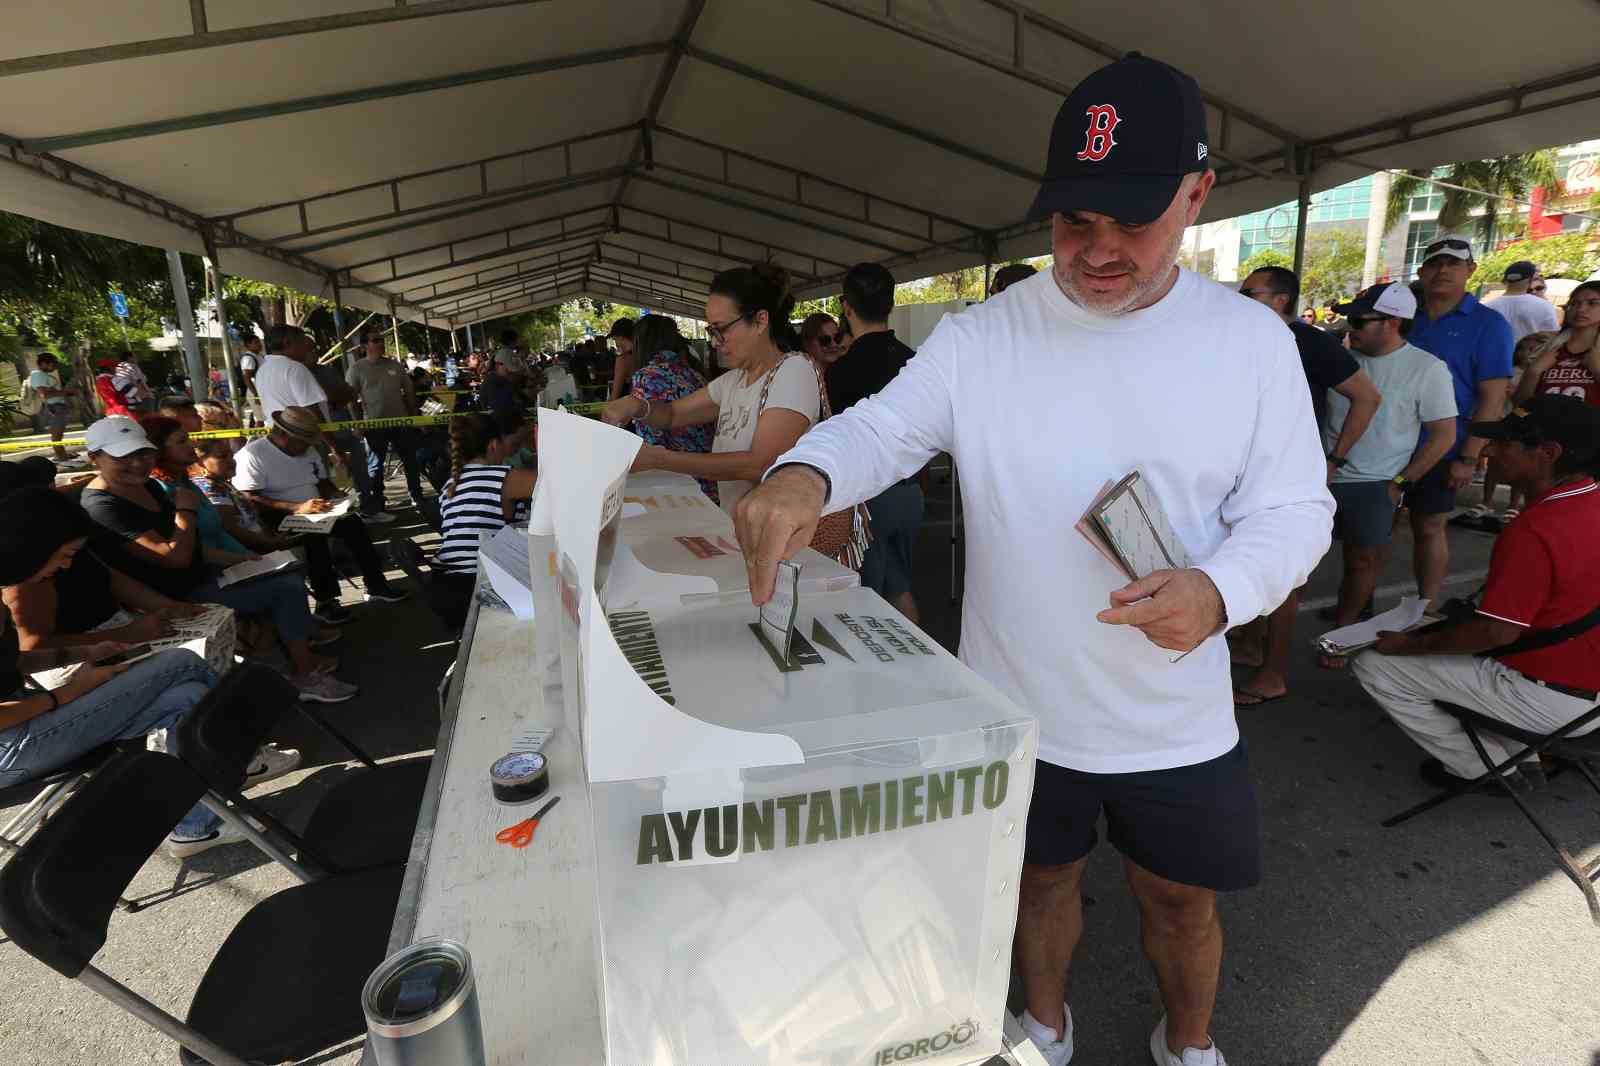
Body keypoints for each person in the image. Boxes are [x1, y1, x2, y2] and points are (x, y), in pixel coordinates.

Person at [735, 54, 1332, 1066]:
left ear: (1197, 193)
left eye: (1130, 222)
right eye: (1071, 223)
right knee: (1036, 879)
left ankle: (1187, 1040)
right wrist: (802, 474)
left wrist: (1223, 587)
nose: (1097, 253)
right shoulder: (984, 336)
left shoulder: (1248, 342)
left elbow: (1294, 508)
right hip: (1020, 703)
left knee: (1183, 901)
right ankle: (1043, 1021)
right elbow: (879, 432)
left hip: (1175, 718)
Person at [1352, 394, 1600, 792]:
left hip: (1557, 702)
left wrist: (1403, 646)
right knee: (1447, 634)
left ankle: (1486, 768)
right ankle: (1521, 753)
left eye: (1503, 444)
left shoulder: (1537, 529)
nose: (1487, 451)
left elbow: (1495, 634)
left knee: (1375, 665)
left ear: (1549, 453)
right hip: (1587, 692)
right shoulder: (1590, 499)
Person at [81, 416, 353, 703]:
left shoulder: (146, 486)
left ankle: (272, 661)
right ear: (94, 459)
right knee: (285, 588)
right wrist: (186, 512)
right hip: (173, 596)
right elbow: (174, 558)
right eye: (123, 457)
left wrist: (241, 560)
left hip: (203, 576)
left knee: (284, 570)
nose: (137, 463)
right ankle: (305, 674)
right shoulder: (103, 505)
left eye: (142, 453)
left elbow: (194, 547)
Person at [1230, 267, 1382, 702]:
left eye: (1249, 292)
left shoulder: (1310, 341)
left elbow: (1368, 397)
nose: (1240, 299)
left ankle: (1273, 674)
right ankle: (1250, 644)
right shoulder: (1247, 338)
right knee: (1247, 561)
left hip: (1287, 474)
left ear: (1280, 300)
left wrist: (1334, 457)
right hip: (1247, 468)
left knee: (1283, 577)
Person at [601, 264, 820, 515]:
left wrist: (660, 459)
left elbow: (760, 464)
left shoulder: (794, 371)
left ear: (760, 321)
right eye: (711, 330)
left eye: (721, 329)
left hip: (784, 537)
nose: (715, 341)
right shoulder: (734, 381)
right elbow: (673, 414)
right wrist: (638, 406)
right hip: (740, 528)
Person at [1317, 284, 1456, 645]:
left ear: (1393, 322)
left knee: (1362, 563)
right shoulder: (1339, 358)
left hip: (1376, 483)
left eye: (1361, 320)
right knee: (1297, 563)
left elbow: (1443, 435)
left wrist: (1399, 483)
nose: (1351, 327)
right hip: (1318, 477)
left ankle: (1342, 636)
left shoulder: (1427, 368)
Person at [1405, 233, 1514, 604]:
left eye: (1453, 263)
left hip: (1443, 447)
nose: (1443, 271)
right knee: (1373, 531)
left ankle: (1426, 607)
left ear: (1471, 270)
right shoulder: (1405, 318)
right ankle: (1358, 603)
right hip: (1387, 440)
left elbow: (1493, 397)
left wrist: (1469, 456)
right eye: (1435, 263)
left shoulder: (1489, 324)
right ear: (1422, 271)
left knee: (1429, 526)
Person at [232, 406, 408, 625]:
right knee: (313, 536)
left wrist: (334, 495)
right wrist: (294, 507)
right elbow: (248, 499)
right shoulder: (253, 455)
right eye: (303, 441)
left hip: (314, 510)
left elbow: (321, 481)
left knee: (354, 524)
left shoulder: (307, 451)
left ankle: (375, 584)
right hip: (276, 516)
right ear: (285, 436)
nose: (307, 446)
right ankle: (326, 601)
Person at [829, 262, 925, 621]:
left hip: (866, 498)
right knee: (900, 586)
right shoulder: (914, 362)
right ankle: (920, 664)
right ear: (891, 303)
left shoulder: (840, 371)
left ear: (846, 307)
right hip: (910, 492)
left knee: (866, 597)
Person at [431, 412, 538, 628]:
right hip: (477, 586)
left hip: (445, 586)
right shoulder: (502, 477)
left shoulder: (449, 486)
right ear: (493, 445)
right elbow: (557, 483)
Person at [608, 315, 715, 499]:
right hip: (711, 479)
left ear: (640, 343)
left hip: (680, 487)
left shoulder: (646, 377)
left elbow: (650, 444)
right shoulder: (694, 373)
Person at [348, 324, 426, 517]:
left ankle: (417, 496)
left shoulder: (394, 365)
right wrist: (357, 423)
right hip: (374, 426)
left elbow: (408, 391)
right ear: (364, 345)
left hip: (401, 423)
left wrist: (415, 416)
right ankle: (378, 504)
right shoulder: (356, 369)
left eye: (381, 339)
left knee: (411, 461)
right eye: (375, 340)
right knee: (375, 466)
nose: (380, 343)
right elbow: (350, 399)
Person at [1515, 280, 1600, 409]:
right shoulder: (1545, 349)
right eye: (1574, 304)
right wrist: (1533, 372)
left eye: (1592, 303)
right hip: (1541, 427)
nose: (1581, 309)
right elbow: (1519, 407)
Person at [253, 324, 330, 426]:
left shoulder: (262, 371)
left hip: (281, 435)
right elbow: (312, 412)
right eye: (301, 343)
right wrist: (330, 441)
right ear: (288, 343)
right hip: (304, 436)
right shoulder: (295, 368)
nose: (305, 349)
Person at [1486, 260, 1560, 343]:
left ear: (1506, 281)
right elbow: (1553, 338)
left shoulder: (1488, 307)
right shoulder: (1544, 306)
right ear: (1531, 279)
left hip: (1496, 355)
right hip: (1530, 355)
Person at [26, 353, 77, 461]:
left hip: (57, 407)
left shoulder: (44, 375)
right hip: (54, 408)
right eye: (53, 364)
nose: (55, 367)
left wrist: (66, 393)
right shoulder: (38, 374)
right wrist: (66, 392)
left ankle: (62, 456)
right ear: (44, 363)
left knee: (58, 435)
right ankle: (63, 459)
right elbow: (45, 394)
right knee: (56, 436)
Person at [606, 317, 638, 400]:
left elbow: (615, 394)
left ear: (620, 337)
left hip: (629, 407)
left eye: (614, 339)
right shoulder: (646, 355)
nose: (616, 343)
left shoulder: (623, 360)